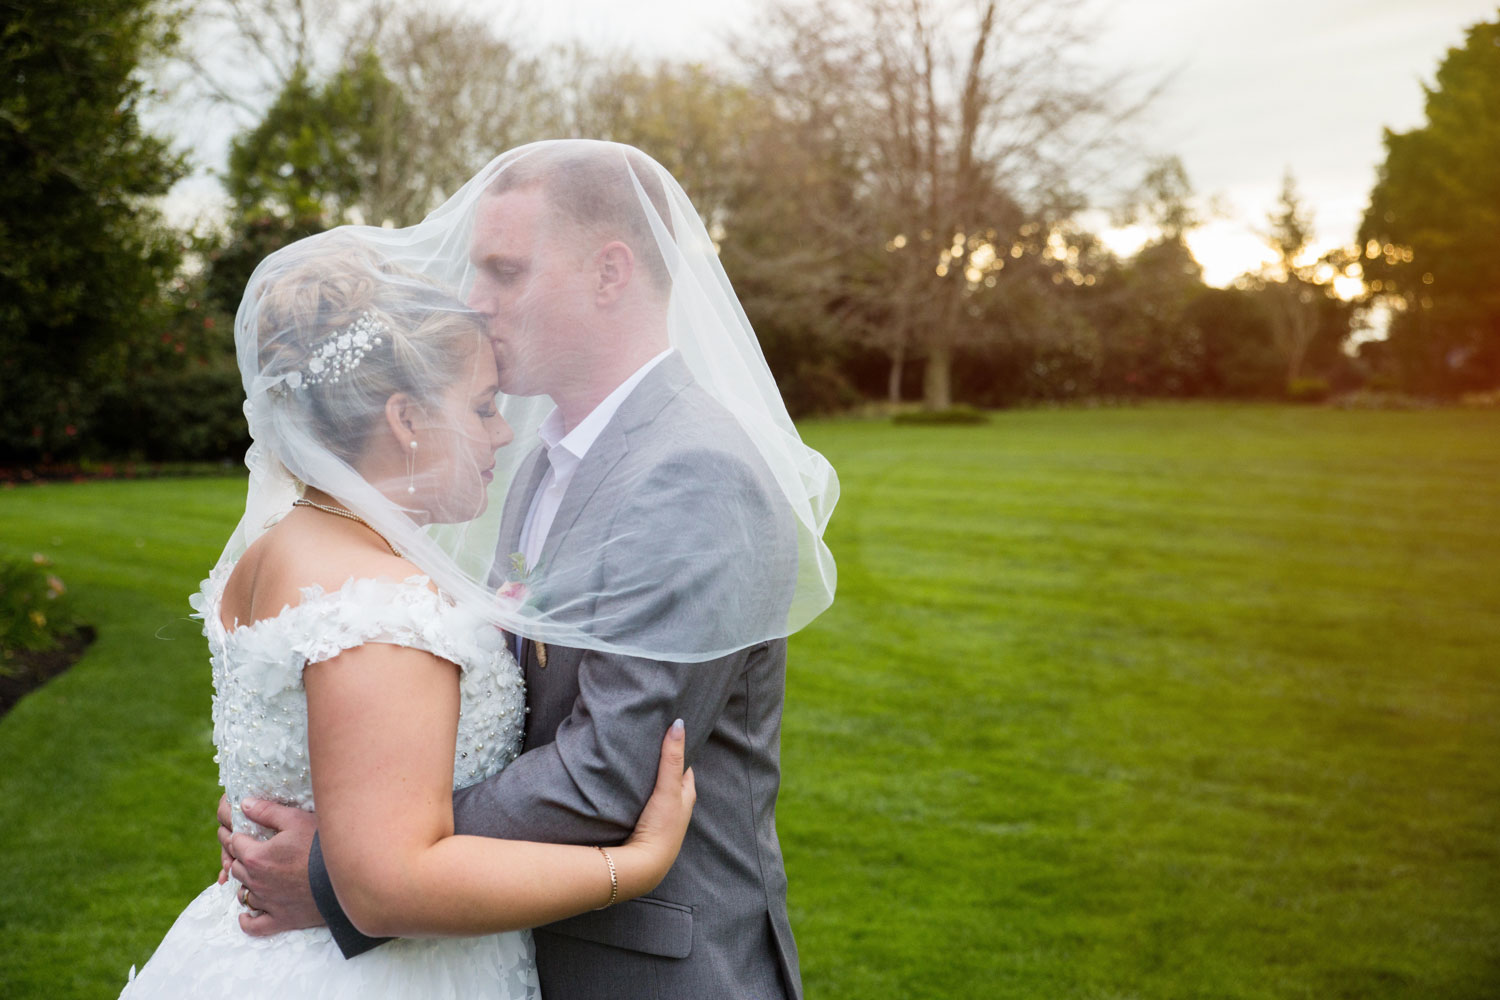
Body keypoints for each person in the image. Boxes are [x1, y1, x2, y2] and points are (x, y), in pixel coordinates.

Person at [218, 141, 839, 999]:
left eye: (505, 272)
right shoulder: (543, 461)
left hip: (643, 969)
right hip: (507, 950)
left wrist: (350, 861)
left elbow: (607, 777)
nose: (476, 302)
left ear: (610, 274)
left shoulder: (696, 473)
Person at [120, 236, 697, 998]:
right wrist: (634, 866)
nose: (502, 433)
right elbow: (388, 887)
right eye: (484, 406)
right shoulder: (384, 604)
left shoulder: (278, 546)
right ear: (404, 417)